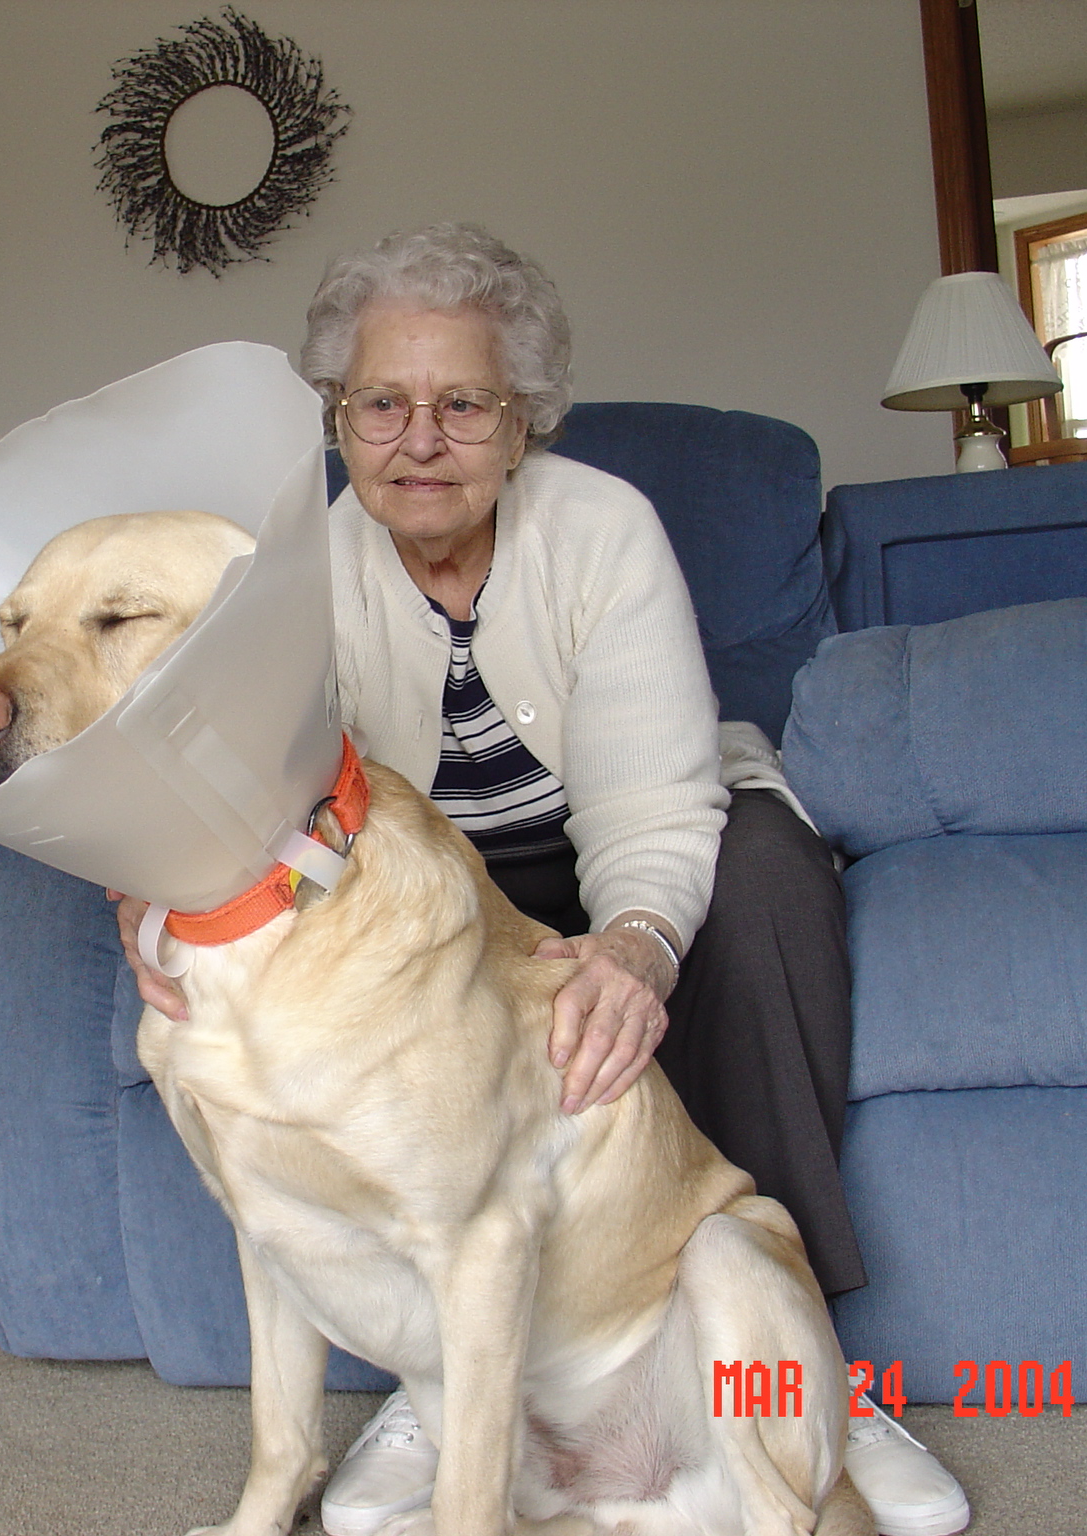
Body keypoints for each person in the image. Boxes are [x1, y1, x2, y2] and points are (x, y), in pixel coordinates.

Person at [115, 225, 966, 1536]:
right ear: (339, 421)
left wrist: (636, 948)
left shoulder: (602, 530)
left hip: (635, 828)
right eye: (382, 405)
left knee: (765, 880)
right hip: (428, 881)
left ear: (523, 423)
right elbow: (243, 789)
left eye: (464, 404)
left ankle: (788, 1371)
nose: (420, 441)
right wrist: (154, 887)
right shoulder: (301, 579)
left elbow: (653, 804)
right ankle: (448, 1379)